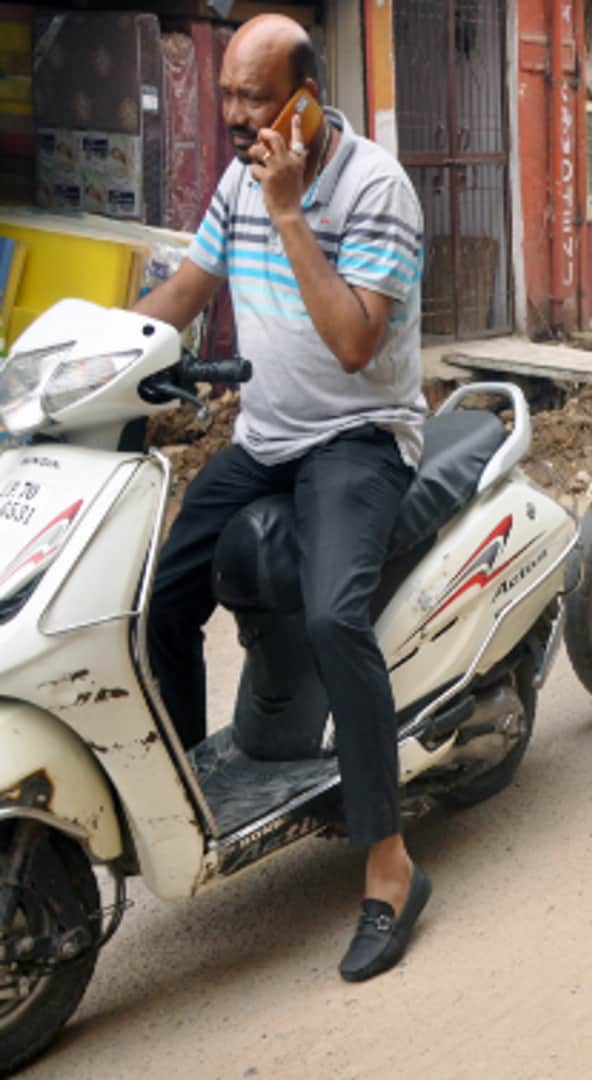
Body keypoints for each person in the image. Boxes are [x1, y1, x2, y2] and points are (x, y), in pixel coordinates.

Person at [133, 14, 431, 982]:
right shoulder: (238, 178)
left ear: (306, 96)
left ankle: (388, 867)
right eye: (225, 96)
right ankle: (191, 798)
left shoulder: (374, 188)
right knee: (160, 597)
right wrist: (75, 353)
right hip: (264, 437)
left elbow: (354, 344)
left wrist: (293, 209)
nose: (233, 117)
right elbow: (185, 293)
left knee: (334, 614)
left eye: (252, 98)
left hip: (357, 437)